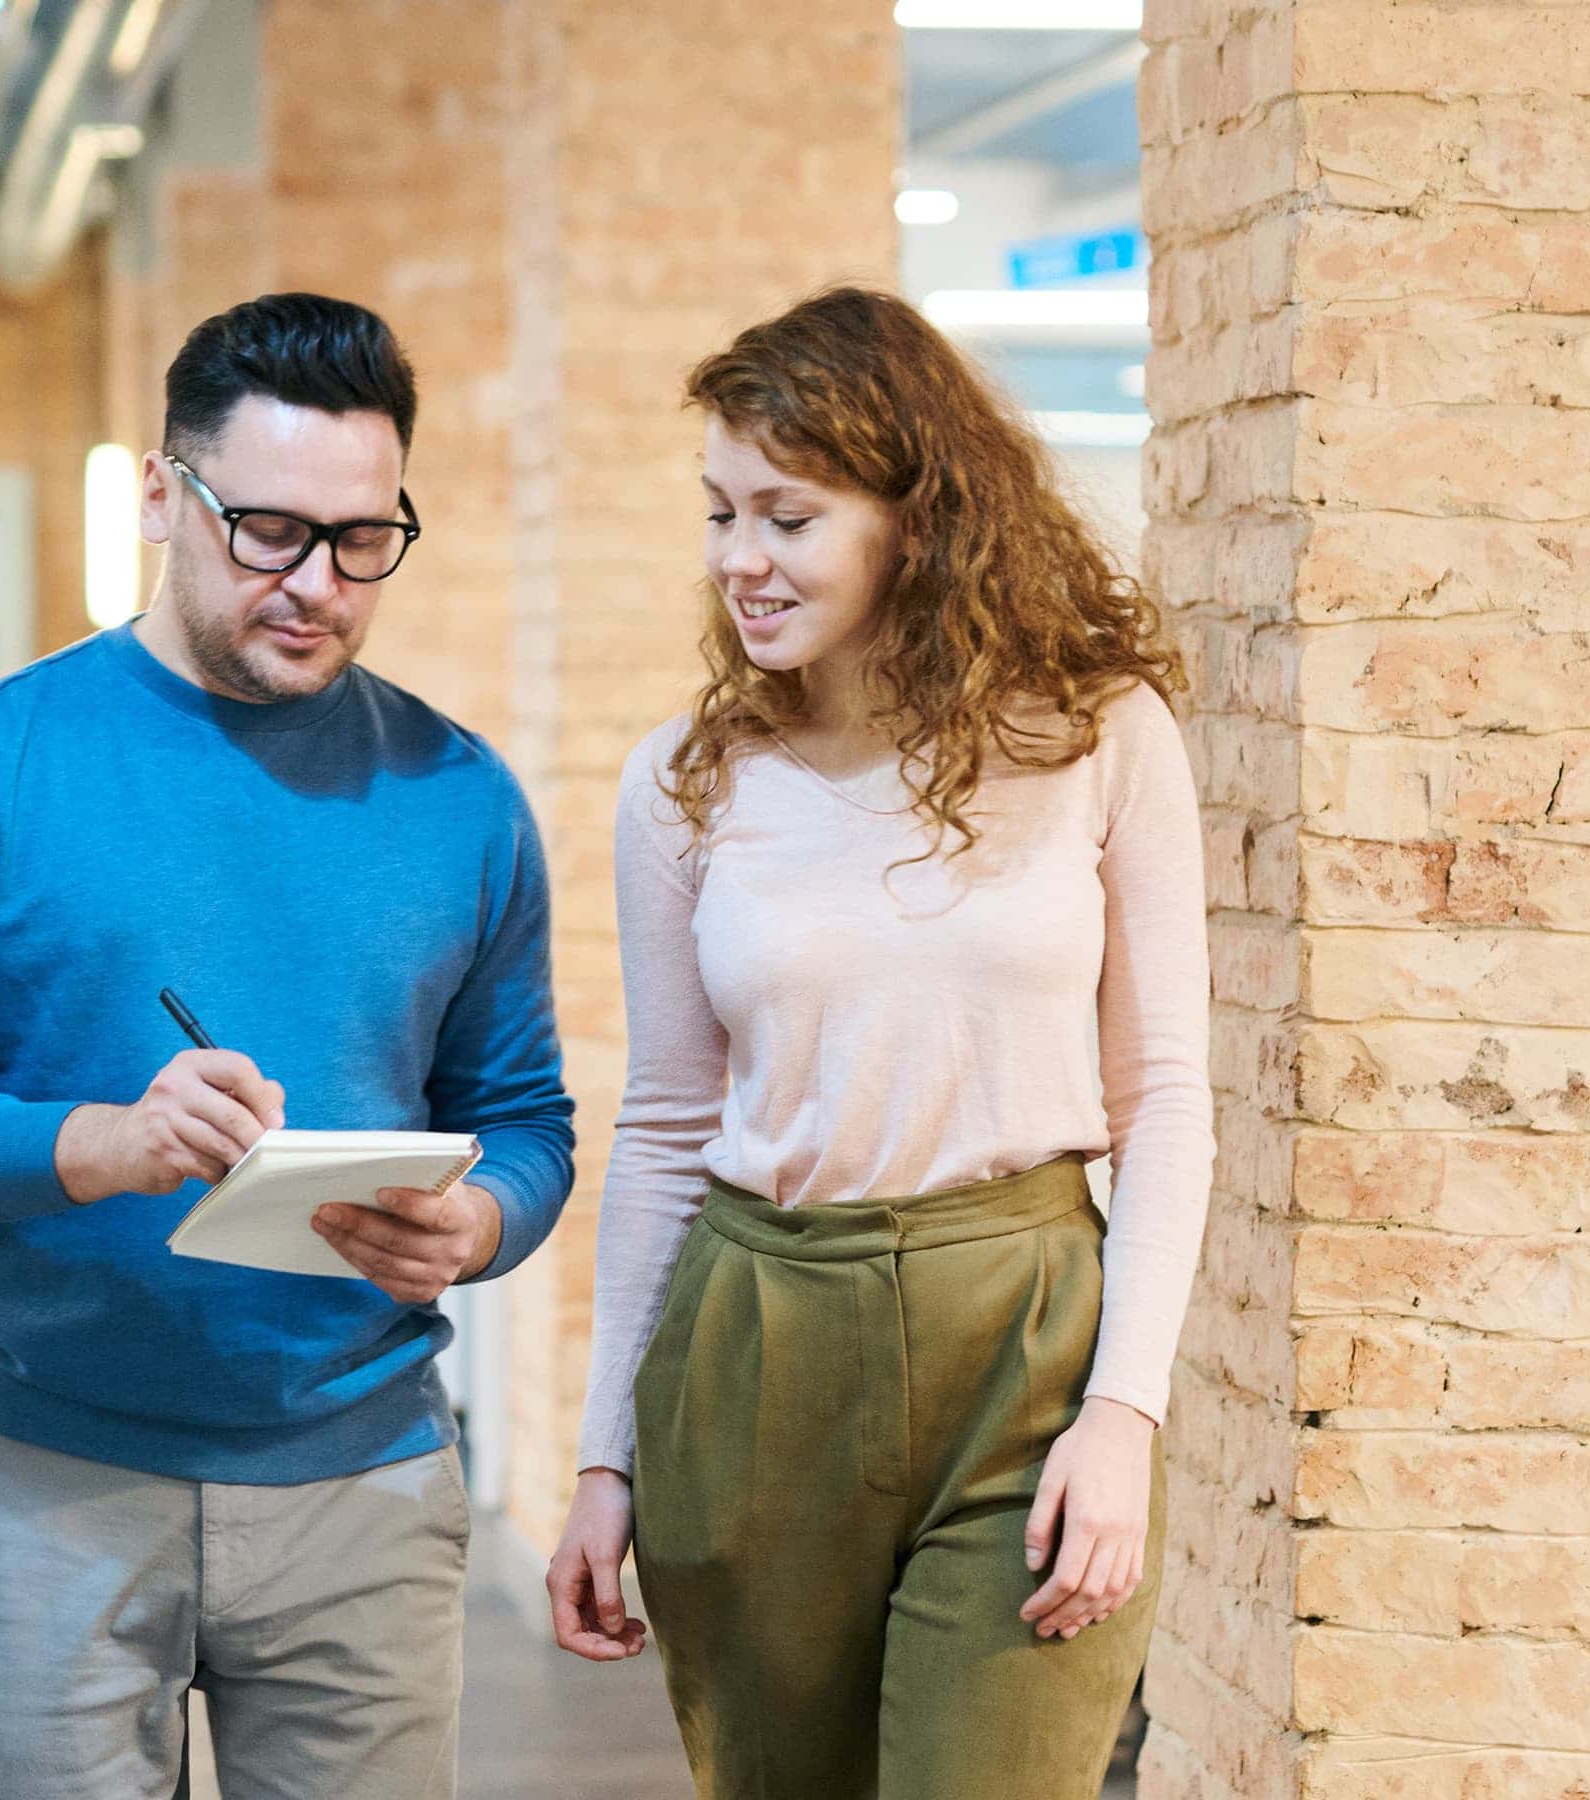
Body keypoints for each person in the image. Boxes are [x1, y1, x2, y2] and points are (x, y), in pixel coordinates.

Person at [0, 292, 574, 1800]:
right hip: (54, 1490)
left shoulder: (459, 795)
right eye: (268, 531)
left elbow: (528, 1117)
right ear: (163, 494)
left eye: (364, 540)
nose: (318, 585)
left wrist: (476, 1226)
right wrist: (108, 1143)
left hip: (367, 1484)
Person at [545, 286, 1213, 1799]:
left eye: (786, 516)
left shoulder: (1101, 736)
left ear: (916, 517)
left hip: (1026, 1336)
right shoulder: (686, 785)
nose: (739, 562)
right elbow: (662, 1125)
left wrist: (1126, 1414)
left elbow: (1166, 1095)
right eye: (721, 514)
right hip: (757, 1348)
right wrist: (603, 1461)